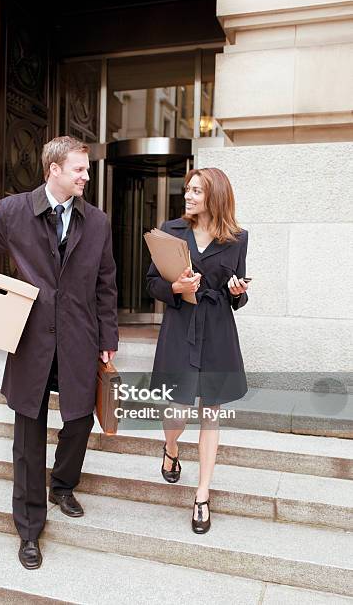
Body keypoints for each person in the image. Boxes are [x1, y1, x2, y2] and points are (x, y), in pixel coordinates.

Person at [0, 136, 118, 569]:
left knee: (78, 420)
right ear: (53, 168)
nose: (86, 176)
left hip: (79, 340)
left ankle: (63, 484)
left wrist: (108, 339)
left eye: (86, 169)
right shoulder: (15, 211)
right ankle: (29, 529)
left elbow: (106, 285)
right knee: (27, 441)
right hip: (31, 343)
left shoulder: (98, 223)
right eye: (79, 169)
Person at [146, 167, 249, 534]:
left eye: (196, 191)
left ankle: (202, 494)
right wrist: (176, 287)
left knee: (211, 413)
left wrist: (239, 292)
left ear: (215, 196)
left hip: (218, 330)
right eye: (188, 190)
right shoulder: (170, 230)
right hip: (180, 327)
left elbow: (237, 290)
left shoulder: (237, 238)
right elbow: (152, 281)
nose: (188, 196)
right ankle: (171, 447)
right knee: (176, 411)